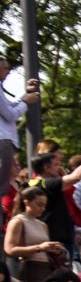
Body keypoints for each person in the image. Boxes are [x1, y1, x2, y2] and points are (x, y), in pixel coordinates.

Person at [5, 183, 64, 282]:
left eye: (44, 205)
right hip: (31, 270)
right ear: (27, 202)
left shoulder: (42, 224)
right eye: (39, 204)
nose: (42, 209)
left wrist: (54, 250)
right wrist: (40, 247)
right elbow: (10, 249)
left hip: (48, 269)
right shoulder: (18, 221)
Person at [0, 58, 38, 191]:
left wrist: (25, 94)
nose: (8, 72)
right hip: (3, 140)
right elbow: (10, 115)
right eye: (5, 68)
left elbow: (9, 105)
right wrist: (26, 102)